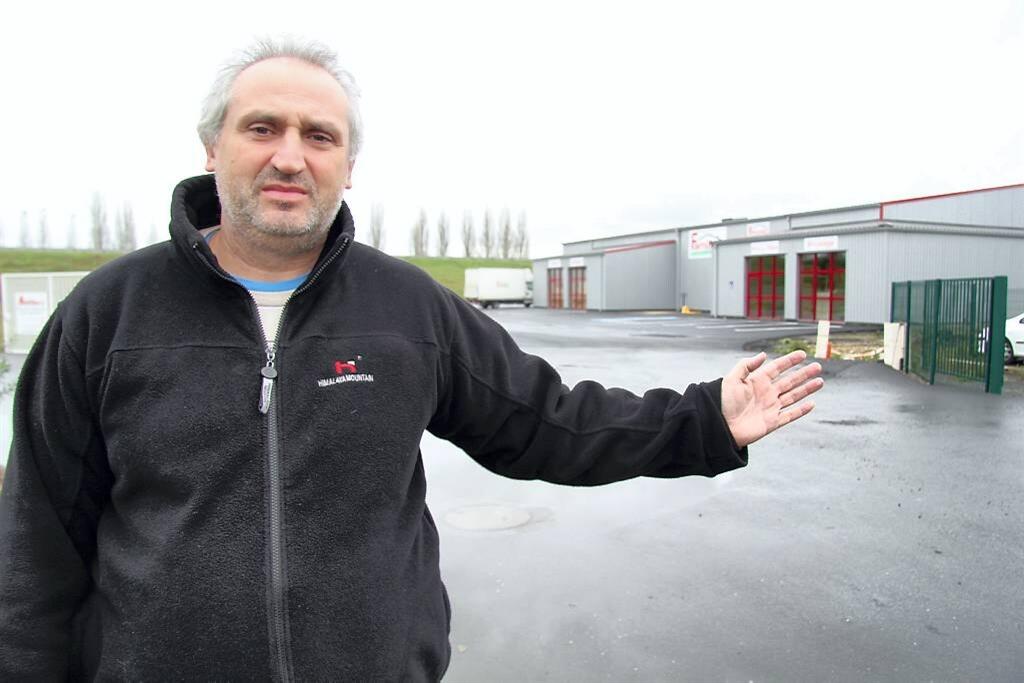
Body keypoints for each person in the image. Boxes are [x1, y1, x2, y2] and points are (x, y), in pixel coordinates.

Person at [0, 37, 823, 681]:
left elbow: (549, 423)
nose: (291, 155)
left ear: (349, 165)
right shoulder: (107, 316)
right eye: (263, 128)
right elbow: (36, 542)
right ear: (212, 147)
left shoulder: (405, 309)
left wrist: (704, 419)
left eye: (320, 136)